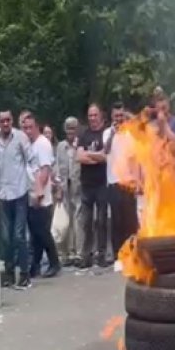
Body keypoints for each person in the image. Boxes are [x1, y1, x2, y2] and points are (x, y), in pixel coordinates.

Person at [0, 109, 31, 288]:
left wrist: (35, 186)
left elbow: (30, 161)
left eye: (8, 120)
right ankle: (8, 273)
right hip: (4, 194)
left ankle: (24, 273)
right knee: (6, 237)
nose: (5, 124)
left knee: (19, 235)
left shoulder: (20, 138)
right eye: (2, 121)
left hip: (20, 191)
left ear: (12, 121)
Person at [20, 111, 61, 279]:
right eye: (24, 127)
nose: (27, 130)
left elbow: (45, 170)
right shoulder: (28, 144)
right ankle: (34, 266)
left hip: (41, 196)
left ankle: (54, 262)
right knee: (35, 233)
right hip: (29, 193)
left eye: (30, 127)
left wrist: (39, 193)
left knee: (42, 232)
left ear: (36, 127)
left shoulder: (42, 144)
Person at [77, 104, 109, 268]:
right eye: (90, 115)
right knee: (86, 222)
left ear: (100, 116)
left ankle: (101, 254)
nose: (92, 118)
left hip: (101, 183)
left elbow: (105, 157)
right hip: (86, 184)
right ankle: (86, 255)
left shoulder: (106, 133)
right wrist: (94, 156)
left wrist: (89, 155)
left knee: (101, 221)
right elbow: (79, 157)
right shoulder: (84, 134)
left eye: (95, 115)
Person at [105, 103, 138, 261]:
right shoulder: (107, 133)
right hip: (113, 181)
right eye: (115, 116)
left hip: (129, 182)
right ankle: (118, 254)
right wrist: (112, 133)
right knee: (116, 222)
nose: (118, 119)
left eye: (121, 116)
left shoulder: (130, 134)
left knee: (130, 221)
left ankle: (132, 253)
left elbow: (136, 158)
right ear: (111, 118)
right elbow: (105, 150)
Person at [55, 117, 81, 267]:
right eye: (68, 128)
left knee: (78, 220)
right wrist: (58, 188)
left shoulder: (80, 145)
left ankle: (78, 251)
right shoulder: (61, 147)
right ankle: (66, 253)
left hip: (78, 186)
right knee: (65, 221)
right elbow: (58, 168)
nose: (70, 131)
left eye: (73, 128)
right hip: (65, 187)